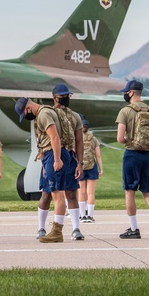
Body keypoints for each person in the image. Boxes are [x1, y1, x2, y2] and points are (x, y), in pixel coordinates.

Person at [115, 80, 149, 239]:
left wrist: (128, 139)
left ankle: (134, 228)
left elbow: (119, 138)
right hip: (147, 155)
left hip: (132, 154)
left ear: (131, 93)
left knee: (130, 192)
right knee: (148, 191)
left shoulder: (125, 111)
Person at [16, 96, 72, 243]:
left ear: (28, 108)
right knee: (48, 193)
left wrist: (57, 159)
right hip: (49, 155)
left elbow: (54, 138)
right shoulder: (46, 111)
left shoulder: (44, 114)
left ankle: (57, 231)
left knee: (57, 193)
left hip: (54, 154)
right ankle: (48, 229)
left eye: (25, 113)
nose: (27, 116)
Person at [51, 84, 86, 241]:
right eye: (62, 96)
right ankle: (44, 228)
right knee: (50, 193)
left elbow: (79, 141)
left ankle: (76, 228)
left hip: (70, 157)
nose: (65, 99)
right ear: (54, 98)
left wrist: (80, 162)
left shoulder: (75, 116)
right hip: (53, 157)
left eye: (67, 96)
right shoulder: (49, 115)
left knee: (71, 193)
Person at [77, 117, 102, 224]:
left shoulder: (77, 138)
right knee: (91, 193)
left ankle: (82, 216)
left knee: (81, 192)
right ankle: (90, 215)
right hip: (92, 167)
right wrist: (101, 168)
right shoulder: (94, 139)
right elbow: (98, 155)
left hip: (81, 166)